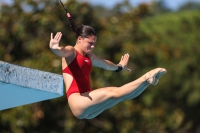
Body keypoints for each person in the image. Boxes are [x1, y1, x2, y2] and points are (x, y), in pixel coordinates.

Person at [49, 25, 167, 119]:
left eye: (94, 43)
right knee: (113, 92)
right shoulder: (71, 52)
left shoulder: (90, 57)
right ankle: (145, 77)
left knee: (119, 97)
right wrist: (54, 48)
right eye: (90, 43)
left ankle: (148, 82)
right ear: (80, 39)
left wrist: (119, 67)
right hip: (78, 101)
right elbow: (62, 51)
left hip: (88, 104)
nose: (93, 46)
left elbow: (105, 64)